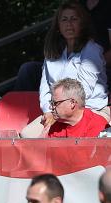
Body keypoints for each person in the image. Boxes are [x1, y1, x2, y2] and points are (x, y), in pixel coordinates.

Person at [21, 1, 109, 138]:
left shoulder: (91, 49)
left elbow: (83, 91)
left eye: (74, 19)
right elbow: (45, 88)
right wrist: (48, 111)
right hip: (57, 111)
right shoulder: (52, 51)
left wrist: (58, 112)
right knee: (26, 135)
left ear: (82, 24)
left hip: (88, 109)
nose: (69, 24)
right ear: (58, 26)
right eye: (64, 19)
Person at [42, 78, 109, 136]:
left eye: (55, 103)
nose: (51, 107)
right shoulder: (56, 126)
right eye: (51, 103)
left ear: (72, 103)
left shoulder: (97, 126)